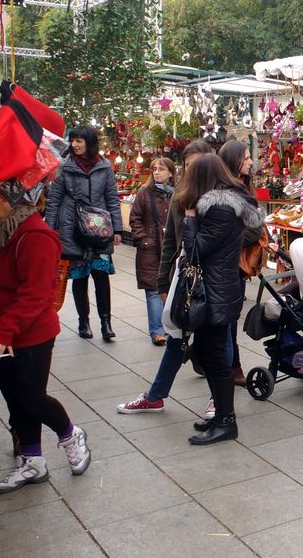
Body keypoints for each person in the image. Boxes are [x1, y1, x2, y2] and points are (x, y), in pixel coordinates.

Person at [0, 183, 91, 493]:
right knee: (17, 400)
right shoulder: (1, 228)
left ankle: (70, 434)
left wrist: (4, 330)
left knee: (31, 398)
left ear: (13, 200)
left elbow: (35, 294)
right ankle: (32, 461)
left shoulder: (36, 236)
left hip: (28, 337)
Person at [117, 140, 213, 415]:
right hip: (185, 278)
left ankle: (219, 397)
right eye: (189, 164)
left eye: (199, 163)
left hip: (215, 282)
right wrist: (163, 281)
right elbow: (171, 242)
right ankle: (156, 395)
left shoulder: (222, 197)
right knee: (175, 335)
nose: (194, 169)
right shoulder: (180, 196)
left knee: (220, 339)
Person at [176, 154, 262, 445]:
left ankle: (226, 421)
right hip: (217, 290)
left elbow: (197, 249)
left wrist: (189, 221)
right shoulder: (224, 206)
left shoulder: (221, 209)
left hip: (215, 294)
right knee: (210, 356)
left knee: (216, 359)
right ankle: (221, 416)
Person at [44, 125, 122, 341]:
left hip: (99, 227)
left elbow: (112, 198)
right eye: (73, 140)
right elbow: (54, 202)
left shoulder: (104, 166)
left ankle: (106, 323)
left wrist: (116, 228)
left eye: (79, 140)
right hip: (72, 228)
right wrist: (49, 233)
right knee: (80, 277)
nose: (75, 144)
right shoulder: (64, 167)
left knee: (101, 275)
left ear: (90, 142)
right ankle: (83, 321)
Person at [218, 139, 262, 385]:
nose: (250, 162)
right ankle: (231, 368)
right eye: (246, 158)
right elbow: (251, 229)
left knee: (230, 318)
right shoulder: (227, 193)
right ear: (233, 161)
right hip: (226, 266)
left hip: (238, 266)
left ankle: (229, 365)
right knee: (227, 320)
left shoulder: (244, 189)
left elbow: (254, 228)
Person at [129, 157, 176, 346]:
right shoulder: (145, 192)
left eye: (161, 169)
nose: (157, 172)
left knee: (171, 286)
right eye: (154, 169)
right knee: (153, 289)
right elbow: (135, 218)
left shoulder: (176, 193)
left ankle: (170, 325)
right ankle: (157, 330)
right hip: (150, 248)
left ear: (171, 172)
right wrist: (144, 240)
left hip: (171, 247)